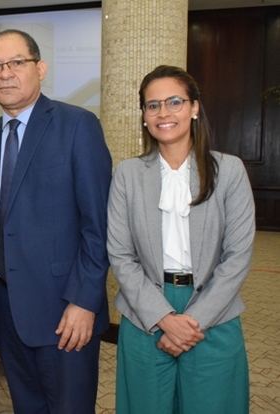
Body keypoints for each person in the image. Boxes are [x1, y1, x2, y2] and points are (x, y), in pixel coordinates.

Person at [0, 29, 112, 413]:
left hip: (66, 312)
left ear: (40, 68)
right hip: (5, 311)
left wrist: (84, 301)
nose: (5, 73)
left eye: (17, 63)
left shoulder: (78, 125)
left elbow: (98, 225)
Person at [107, 65, 255, 413]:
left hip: (213, 312)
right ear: (143, 115)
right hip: (145, 312)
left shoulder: (229, 170)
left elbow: (238, 256)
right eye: (152, 105)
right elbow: (120, 254)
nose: (163, 113)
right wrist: (163, 318)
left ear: (194, 107)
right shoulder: (127, 174)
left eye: (174, 101)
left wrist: (192, 323)